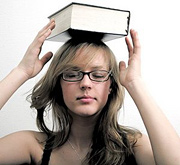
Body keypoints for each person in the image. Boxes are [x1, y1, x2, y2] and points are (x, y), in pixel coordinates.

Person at [0, 19, 180, 165]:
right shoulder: (32, 145)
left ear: (111, 86)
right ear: (58, 85)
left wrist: (135, 83)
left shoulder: (134, 145)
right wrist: (20, 72)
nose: (86, 83)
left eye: (98, 75)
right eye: (72, 74)